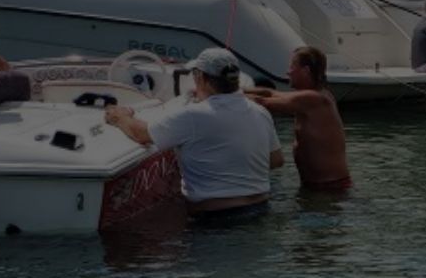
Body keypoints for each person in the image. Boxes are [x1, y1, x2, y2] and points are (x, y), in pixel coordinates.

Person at [105, 48, 284, 224]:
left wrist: (119, 116)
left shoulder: (193, 115)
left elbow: (141, 134)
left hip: (216, 221)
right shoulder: (260, 112)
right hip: (261, 211)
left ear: (201, 77)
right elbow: (276, 160)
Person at [246, 47, 351, 192]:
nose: (288, 72)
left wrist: (223, 95)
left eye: (291, 66)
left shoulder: (313, 98)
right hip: (318, 187)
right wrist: (238, 89)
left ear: (305, 71)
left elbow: (262, 102)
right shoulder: (318, 95)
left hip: (328, 189)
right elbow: (269, 93)